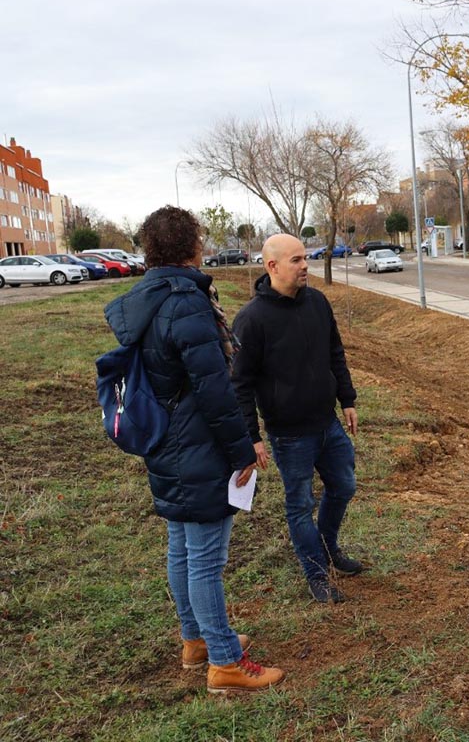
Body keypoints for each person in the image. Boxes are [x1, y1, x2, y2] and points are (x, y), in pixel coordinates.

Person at [103, 206, 283, 694]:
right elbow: (214, 389)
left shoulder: (147, 297)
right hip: (197, 442)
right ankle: (224, 663)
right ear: (194, 245)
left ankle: (196, 640)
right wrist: (243, 448)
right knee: (205, 557)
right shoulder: (184, 301)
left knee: (182, 546)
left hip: (165, 438)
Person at [231, 233, 363, 604]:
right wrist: (251, 436)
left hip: (327, 423)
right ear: (272, 266)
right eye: (296, 260)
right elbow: (240, 383)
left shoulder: (318, 303)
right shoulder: (251, 320)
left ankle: (327, 546)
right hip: (290, 436)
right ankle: (317, 575)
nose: (305, 265)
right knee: (299, 505)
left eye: (305, 258)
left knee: (344, 486)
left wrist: (347, 400)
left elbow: (335, 353)